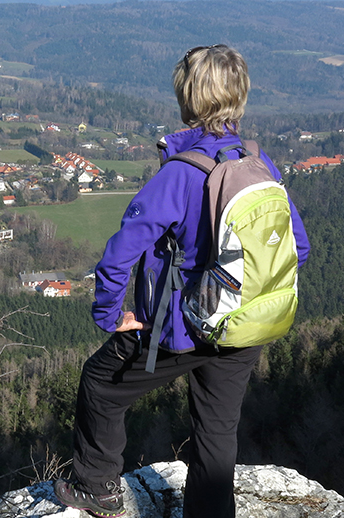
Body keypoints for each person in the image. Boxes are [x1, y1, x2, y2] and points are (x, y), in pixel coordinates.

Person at [53, 44, 310, 518]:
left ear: (188, 98)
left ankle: (98, 488)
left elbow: (118, 256)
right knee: (216, 434)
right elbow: (300, 246)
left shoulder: (180, 173)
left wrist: (111, 316)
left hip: (180, 331)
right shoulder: (258, 163)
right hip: (241, 327)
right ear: (239, 97)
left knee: (100, 384)